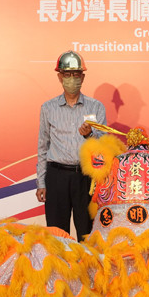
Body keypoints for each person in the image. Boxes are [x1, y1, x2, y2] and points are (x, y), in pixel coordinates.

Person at [36, 50, 106, 239]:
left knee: (88, 233)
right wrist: (41, 182)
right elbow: (43, 146)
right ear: (60, 77)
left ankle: (87, 260)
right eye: (67, 75)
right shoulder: (48, 108)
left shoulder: (96, 107)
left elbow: (105, 145)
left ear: (82, 77)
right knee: (57, 235)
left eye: (76, 75)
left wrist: (90, 134)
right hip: (56, 176)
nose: (72, 79)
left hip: (86, 177)